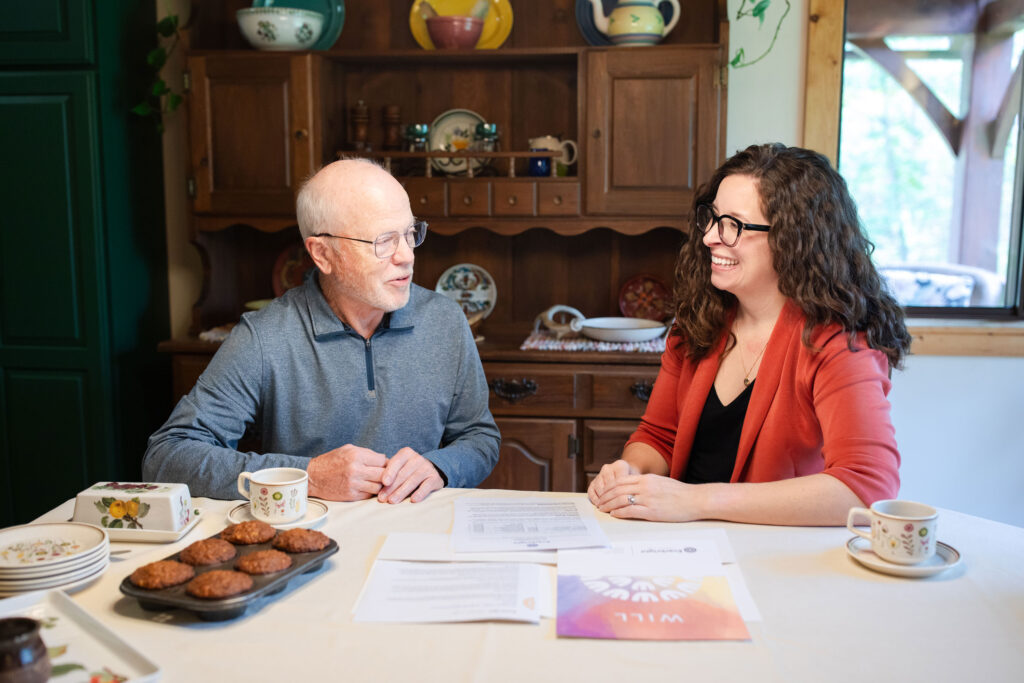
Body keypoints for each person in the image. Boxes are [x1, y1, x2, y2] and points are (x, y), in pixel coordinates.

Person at [588, 143, 911, 526]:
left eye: (733, 225)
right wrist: (629, 471)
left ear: (793, 241)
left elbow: (866, 488)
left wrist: (699, 501)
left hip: (776, 559)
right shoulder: (699, 319)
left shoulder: (838, 341)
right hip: (684, 546)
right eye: (711, 218)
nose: (709, 237)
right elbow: (659, 436)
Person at [144, 159, 500, 503]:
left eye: (410, 234)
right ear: (322, 254)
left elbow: (479, 437)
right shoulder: (264, 337)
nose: (406, 256)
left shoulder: (446, 321)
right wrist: (307, 476)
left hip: (419, 538)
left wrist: (441, 467)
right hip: (311, 546)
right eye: (384, 241)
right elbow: (166, 458)